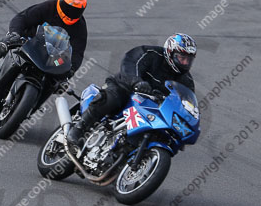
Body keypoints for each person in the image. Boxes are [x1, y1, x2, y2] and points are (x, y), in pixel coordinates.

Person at [67, 33, 197, 151]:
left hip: (150, 105)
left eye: (189, 59)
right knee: (113, 98)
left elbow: (186, 104)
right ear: (170, 52)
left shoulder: (186, 81)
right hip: (126, 88)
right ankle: (79, 128)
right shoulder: (151, 53)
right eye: (181, 57)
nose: (185, 63)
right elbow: (130, 63)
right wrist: (137, 81)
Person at [0, 0, 87, 80]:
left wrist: (71, 69)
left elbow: (78, 52)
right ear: (61, 2)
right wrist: (15, 34)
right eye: (68, 9)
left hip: (51, 57)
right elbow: (22, 18)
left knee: (59, 83)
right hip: (29, 43)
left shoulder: (80, 27)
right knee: (3, 44)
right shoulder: (48, 7)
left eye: (76, 11)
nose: (71, 13)